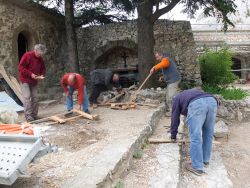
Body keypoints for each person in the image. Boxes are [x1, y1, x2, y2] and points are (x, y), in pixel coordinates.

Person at [170, 88, 218, 176]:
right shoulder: (193, 93)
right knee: (208, 134)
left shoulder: (176, 99)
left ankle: (197, 167)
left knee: (195, 136)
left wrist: (173, 135)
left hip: (197, 104)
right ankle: (205, 160)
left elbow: (175, 118)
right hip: (212, 101)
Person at [18, 44, 47, 121]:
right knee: (27, 97)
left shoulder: (40, 58)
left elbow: (43, 68)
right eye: (39, 53)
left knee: (35, 97)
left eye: (41, 54)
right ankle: (28, 116)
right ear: (35, 50)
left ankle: (34, 115)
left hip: (34, 81)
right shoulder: (27, 55)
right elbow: (21, 67)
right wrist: (30, 74)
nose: (40, 55)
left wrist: (42, 75)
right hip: (25, 79)